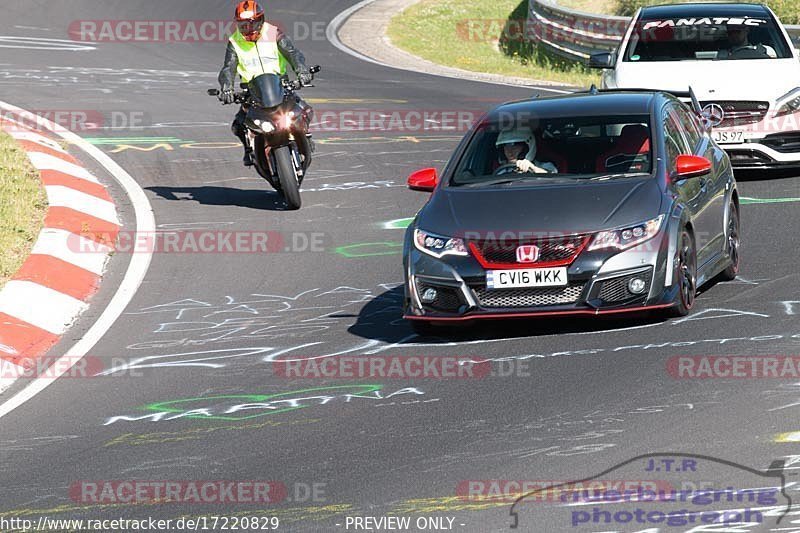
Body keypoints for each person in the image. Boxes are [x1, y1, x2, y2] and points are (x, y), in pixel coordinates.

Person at [218, 1, 313, 166]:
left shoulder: (273, 33)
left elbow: (293, 53)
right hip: (252, 92)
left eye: (251, 24)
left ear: (260, 20)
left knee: (304, 108)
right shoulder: (234, 42)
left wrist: (302, 71)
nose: (247, 29)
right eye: (242, 25)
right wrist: (227, 88)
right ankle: (249, 150)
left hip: (280, 85)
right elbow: (228, 68)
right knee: (239, 125)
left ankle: (306, 136)